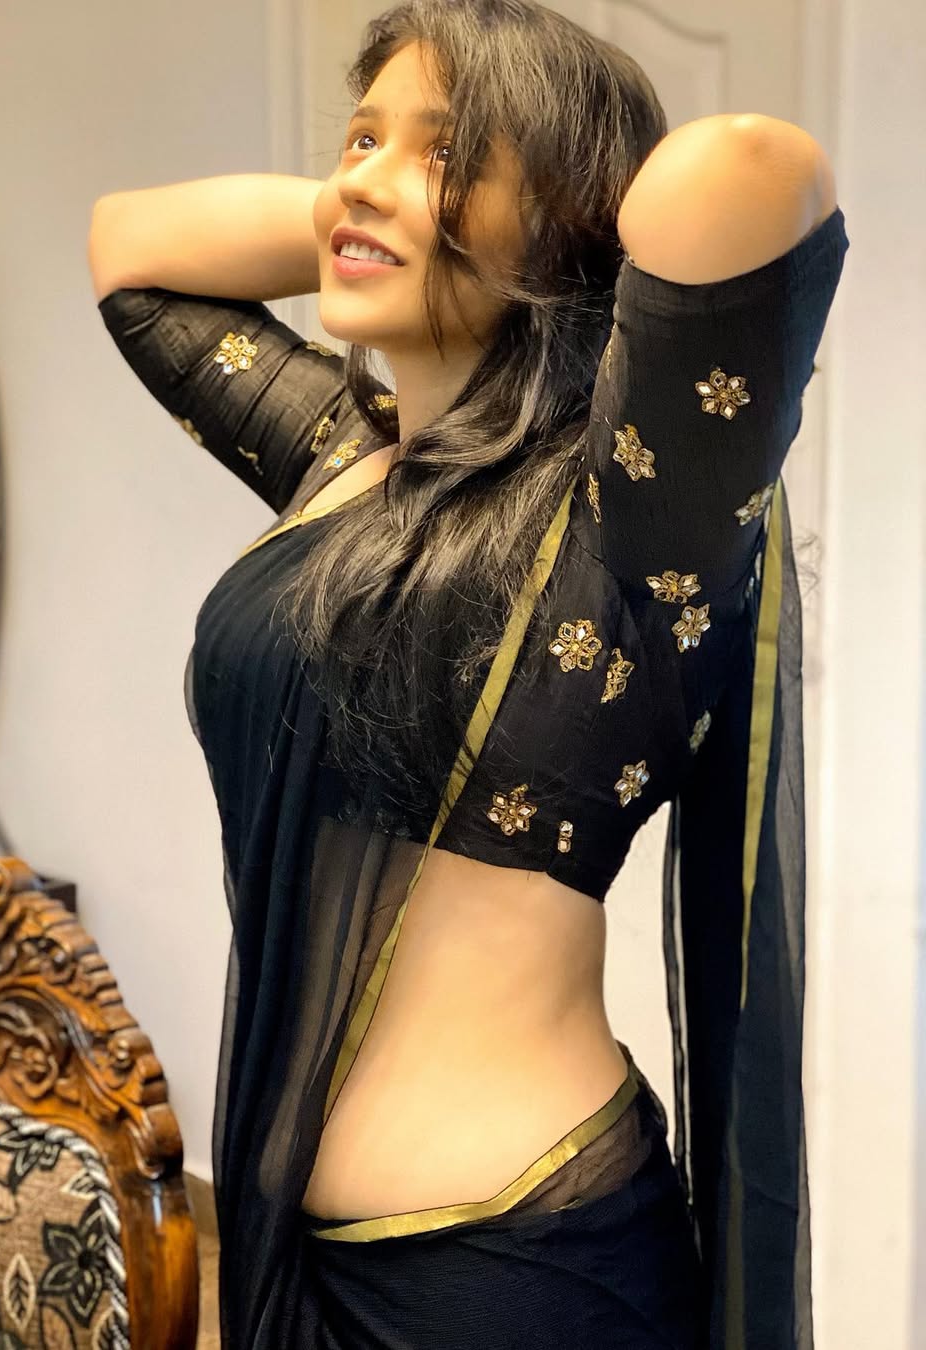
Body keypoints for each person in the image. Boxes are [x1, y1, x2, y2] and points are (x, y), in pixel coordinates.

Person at [88, 2, 848, 1345]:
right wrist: (376, 205)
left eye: (445, 152)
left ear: (562, 222)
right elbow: (129, 252)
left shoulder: (627, 512)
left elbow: (746, 165)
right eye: (357, 136)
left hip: (521, 1277)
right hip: (299, 1252)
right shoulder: (345, 460)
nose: (364, 175)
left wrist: (530, 225)